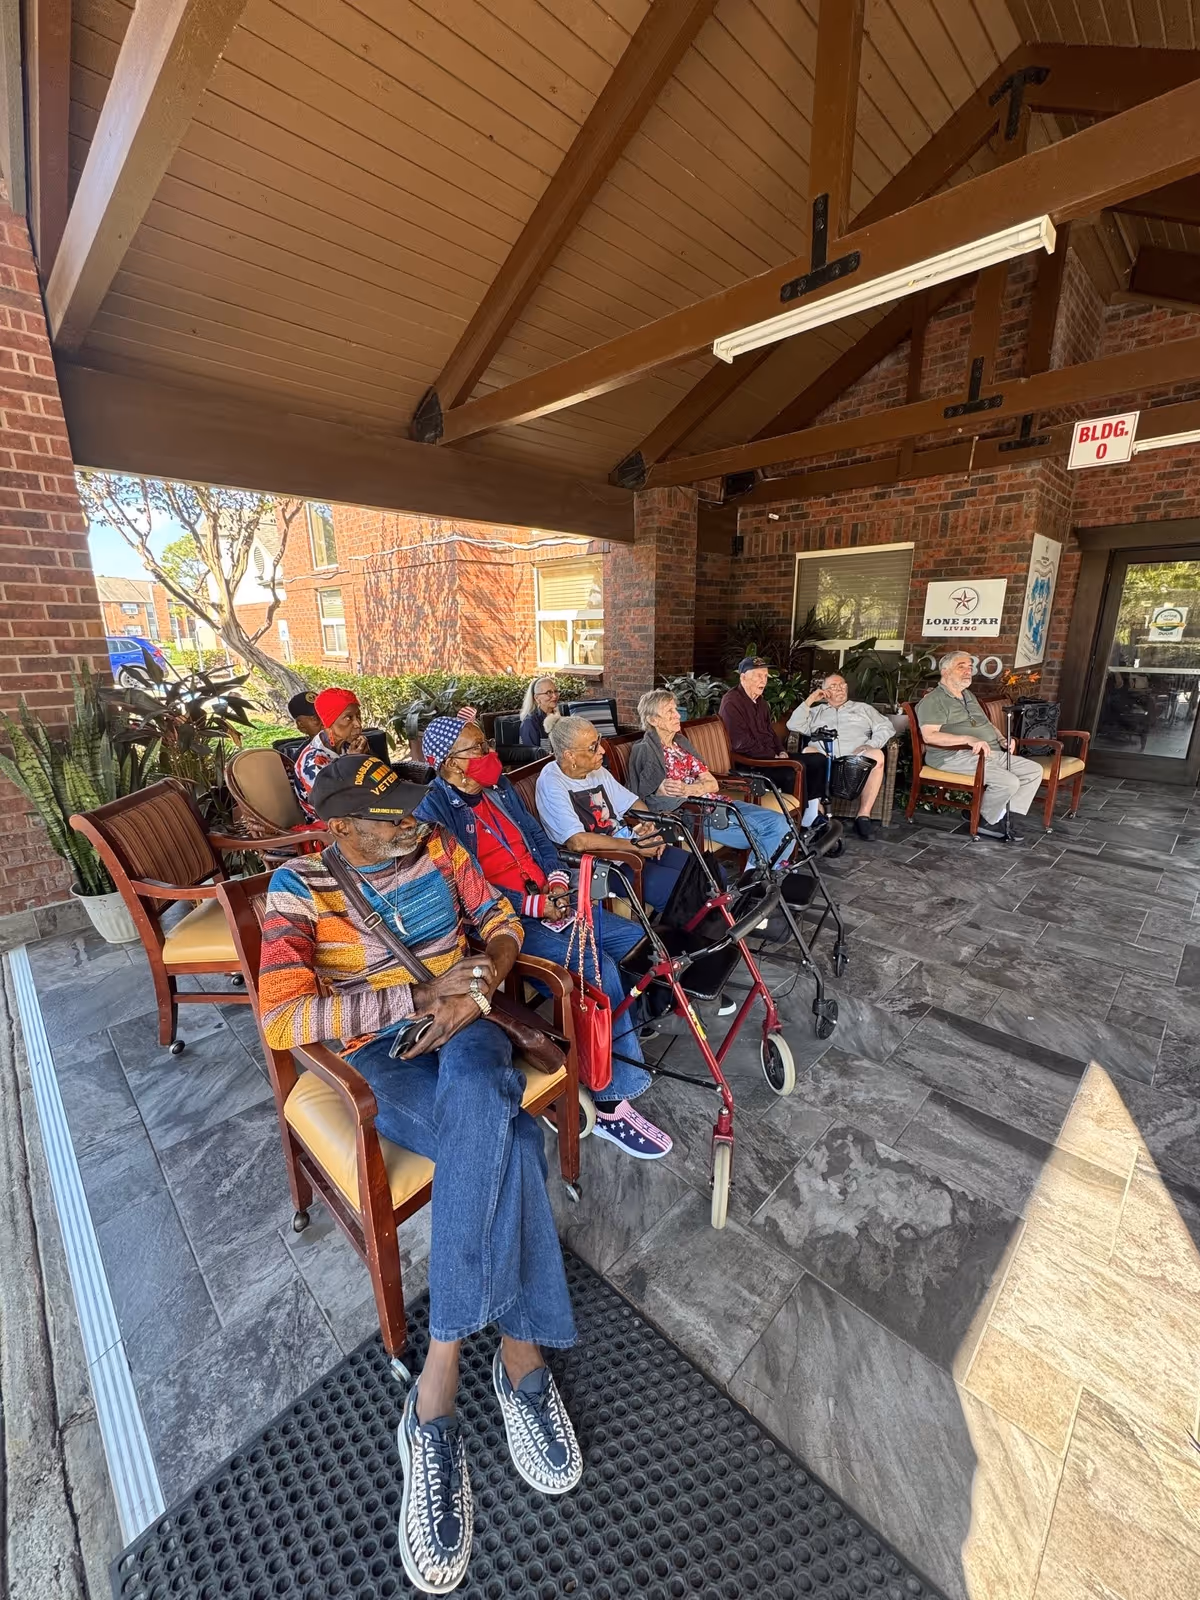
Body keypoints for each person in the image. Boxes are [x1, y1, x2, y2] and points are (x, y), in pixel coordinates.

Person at [260, 755, 581, 1594]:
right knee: (507, 1132)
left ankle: (436, 1387)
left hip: (469, 1027)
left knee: (480, 1085)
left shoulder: (438, 847)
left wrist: (483, 982)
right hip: (381, 1056)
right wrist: (417, 996)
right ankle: (519, 1355)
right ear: (336, 824)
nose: (409, 825)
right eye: (387, 819)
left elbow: (501, 915)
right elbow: (285, 1014)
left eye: (409, 810)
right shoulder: (297, 888)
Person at [415, 717, 672, 1159]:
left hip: (551, 901)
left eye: (487, 744)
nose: (490, 755)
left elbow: (537, 837)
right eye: (478, 749)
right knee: (600, 968)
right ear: (451, 764)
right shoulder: (433, 810)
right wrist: (532, 905)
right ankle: (612, 1101)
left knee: (638, 940)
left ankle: (613, 1035)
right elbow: (462, 889)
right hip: (504, 924)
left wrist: (555, 881)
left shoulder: (497, 789)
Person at [535, 715, 687, 911]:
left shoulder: (596, 771)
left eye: (598, 741)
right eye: (592, 747)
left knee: (699, 869)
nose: (602, 750)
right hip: (598, 866)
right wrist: (635, 847)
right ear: (569, 755)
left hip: (626, 849)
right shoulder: (551, 783)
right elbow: (578, 842)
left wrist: (651, 828)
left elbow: (633, 802)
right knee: (676, 889)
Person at [628, 689, 794, 866]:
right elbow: (641, 795)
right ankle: (758, 884)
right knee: (776, 834)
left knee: (783, 826)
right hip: (699, 815)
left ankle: (754, 884)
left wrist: (689, 789)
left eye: (675, 709)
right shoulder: (644, 750)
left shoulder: (681, 744)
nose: (677, 715)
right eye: (669, 711)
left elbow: (712, 784)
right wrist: (664, 791)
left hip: (719, 803)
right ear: (653, 720)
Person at [916, 651, 1043, 840]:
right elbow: (929, 736)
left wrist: (1001, 739)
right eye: (962, 666)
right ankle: (988, 822)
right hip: (953, 756)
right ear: (945, 671)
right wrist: (967, 739)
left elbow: (987, 724)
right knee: (1008, 782)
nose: (968, 671)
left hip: (989, 751)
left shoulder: (968, 695)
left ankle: (996, 816)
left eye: (970, 667)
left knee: (1033, 771)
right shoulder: (934, 700)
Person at [718, 656, 828, 828]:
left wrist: (781, 750)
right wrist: (774, 756)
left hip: (770, 756)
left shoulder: (761, 702)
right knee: (792, 771)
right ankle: (793, 825)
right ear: (743, 677)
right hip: (750, 762)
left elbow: (769, 731)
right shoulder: (732, 702)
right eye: (758, 675)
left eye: (765, 676)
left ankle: (810, 816)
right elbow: (740, 743)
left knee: (818, 760)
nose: (763, 680)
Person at [788, 672, 895, 840]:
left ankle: (863, 816)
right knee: (808, 753)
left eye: (842, 684)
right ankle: (818, 814)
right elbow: (793, 725)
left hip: (856, 761)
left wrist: (871, 744)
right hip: (823, 760)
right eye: (833, 686)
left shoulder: (863, 709)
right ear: (824, 692)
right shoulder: (816, 711)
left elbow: (886, 727)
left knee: (877, 755)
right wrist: (811, 700)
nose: (839, 688)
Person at [519, 676, 561, 749]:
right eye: (549, 692)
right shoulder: (530, 722)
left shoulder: (559, 715)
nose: (554, 696)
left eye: (556, 691)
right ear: (537, 698)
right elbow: (532, 755)